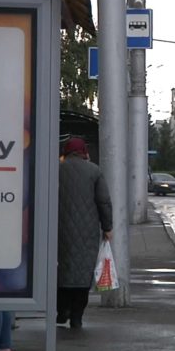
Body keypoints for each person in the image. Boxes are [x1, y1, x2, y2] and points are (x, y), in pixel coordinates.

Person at [57, 137, 113, 329]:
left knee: (61, 270)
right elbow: (103, 202)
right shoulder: (94, 171)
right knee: (82, 274)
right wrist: (107, 227)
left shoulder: (57, 169)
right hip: (87, 232)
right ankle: (77, 317)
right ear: (83, 152)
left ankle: (62, 309)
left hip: (59, 229)